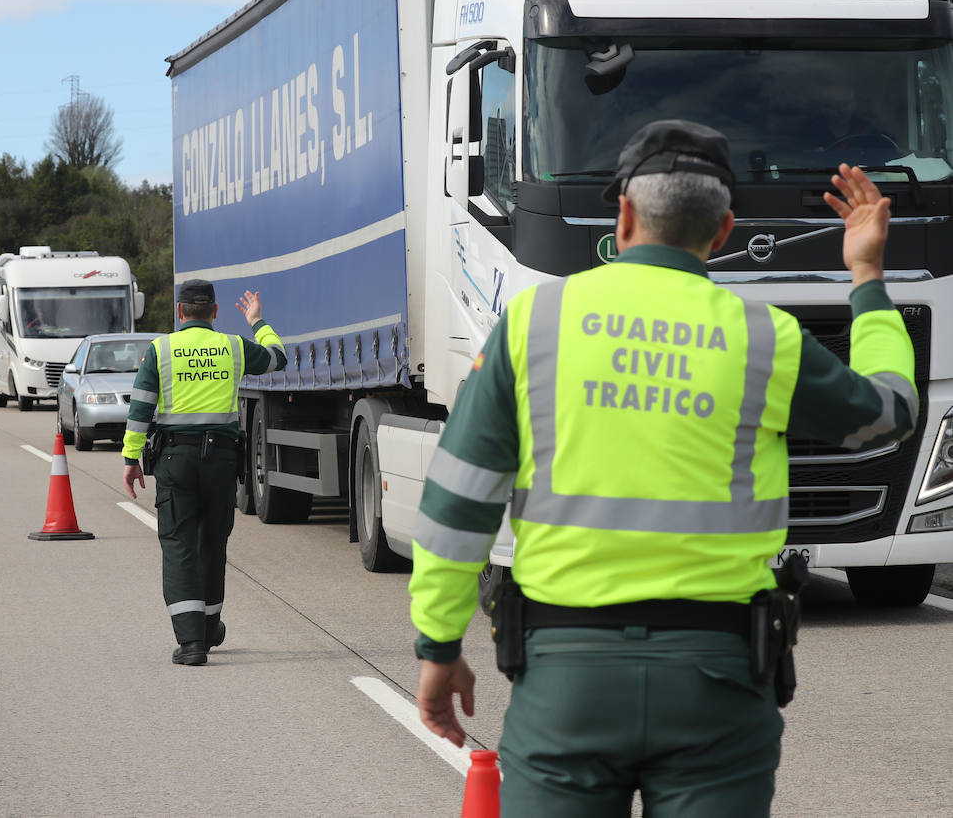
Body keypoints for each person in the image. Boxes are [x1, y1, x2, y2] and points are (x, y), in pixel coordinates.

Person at [409, 120, 918, 815]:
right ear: (725, 230)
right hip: (717, 681)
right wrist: (866, 277)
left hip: (566, 680)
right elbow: (888, 412)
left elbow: (457, 502)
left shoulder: (534, 324)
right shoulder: (764, 339)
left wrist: (438, 644)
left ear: (623, 213)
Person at [122, 279, 288, 666]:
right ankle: (210, 627)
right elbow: (278, 357)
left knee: (180, 545)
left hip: (175, 460)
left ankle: (193, 641)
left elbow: (141, 407)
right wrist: (257, 321)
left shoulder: (160, 349)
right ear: (214, 313)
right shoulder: (232, 346)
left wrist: (131, 460)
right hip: (221, 460)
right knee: (213, 543)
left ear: (179, 312)